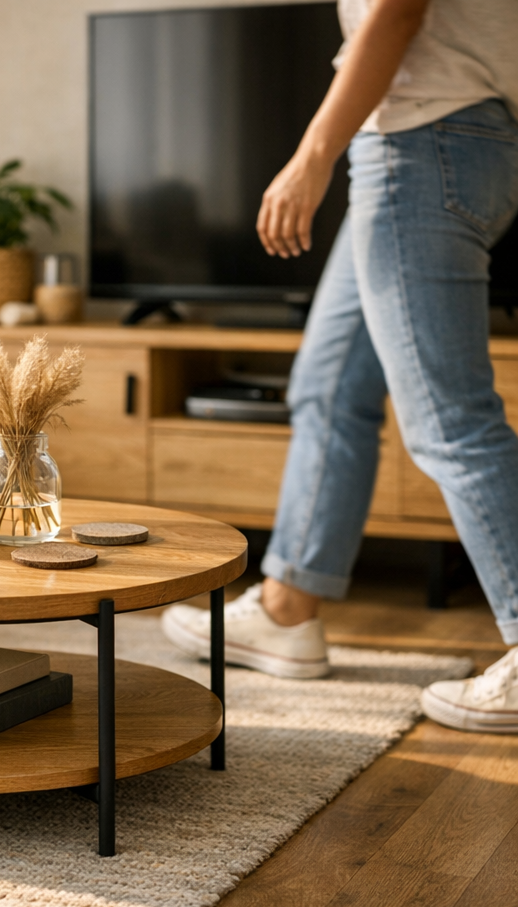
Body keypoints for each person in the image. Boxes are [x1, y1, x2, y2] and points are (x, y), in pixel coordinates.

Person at [163, 0, 518, 732]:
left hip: (421, 143)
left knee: (450, 420)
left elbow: (396, 11)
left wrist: (311, 154)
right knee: (328, 384)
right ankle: (290, 607)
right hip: (439, 142)